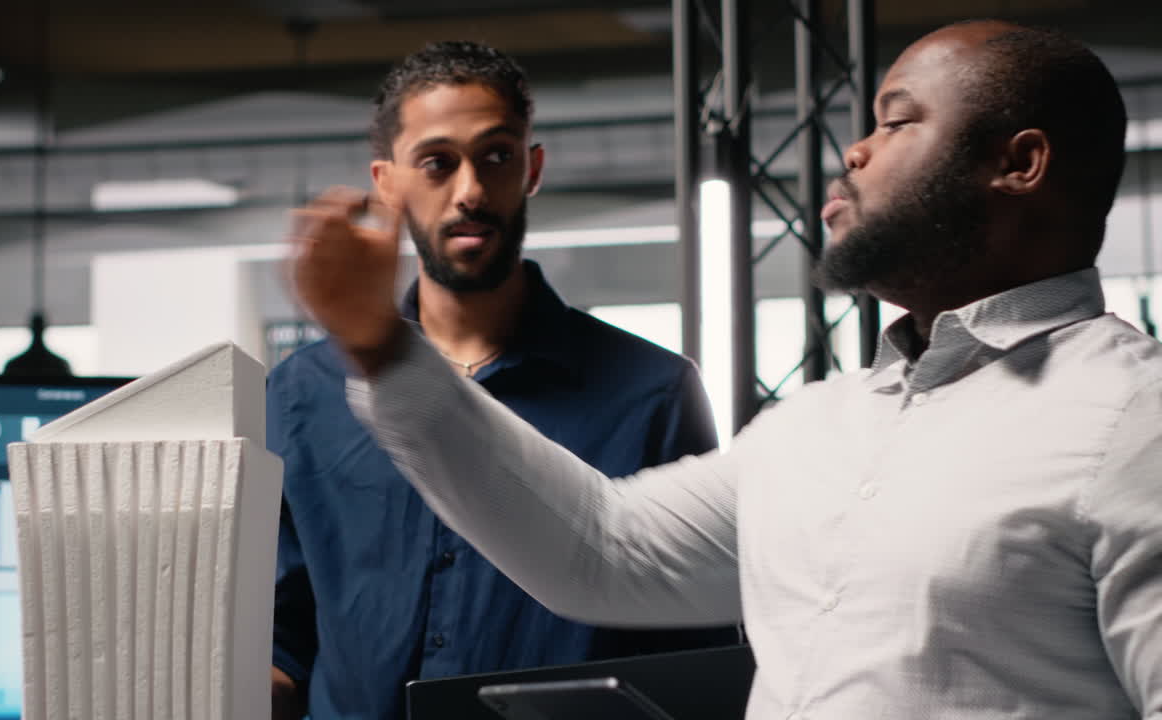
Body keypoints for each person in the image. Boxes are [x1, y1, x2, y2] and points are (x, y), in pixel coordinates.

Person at [287, 20, 1162, 720]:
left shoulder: (1134, 417)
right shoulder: (816, 428)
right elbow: (597, 547)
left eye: (896, 121)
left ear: (1020, 163)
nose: (854, 152)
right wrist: (384, 349)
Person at [269, 41, 737, 720]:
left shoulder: (652, 392)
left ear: (532, 168)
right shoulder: (299, 393)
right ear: (387, 182)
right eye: (437, 163)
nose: (470, 191)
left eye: (496, 156)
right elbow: (280, 638)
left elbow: (696, 656)